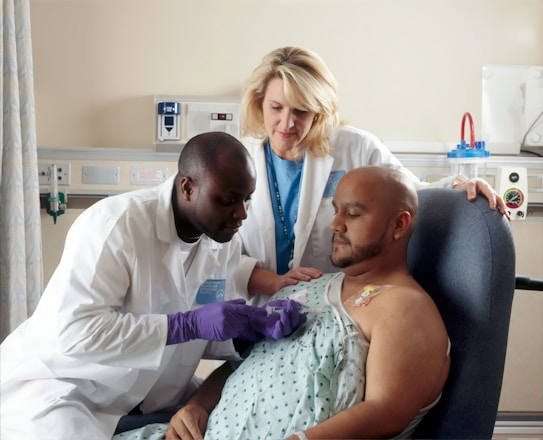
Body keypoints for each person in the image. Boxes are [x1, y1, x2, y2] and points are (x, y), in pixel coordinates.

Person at [0, 132, 305, 440]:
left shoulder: (221, 242)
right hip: (66, 387)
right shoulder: (115, 225)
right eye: (228, 200)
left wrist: (245, 332)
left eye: (246, 199)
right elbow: (77, 333)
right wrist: (186, 325)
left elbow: (198, 335)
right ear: (188, 187)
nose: (242, 214)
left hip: (154, 397)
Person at [113, 166, 451, 440]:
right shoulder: (305, 287)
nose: (335, 225)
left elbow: (387, 412)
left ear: (399, 225)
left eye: (353, 214)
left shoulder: (404, 307)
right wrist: (197, 406)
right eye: (336, 211)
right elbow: (240, 362)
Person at [236, 46, 508, 298]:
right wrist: (273, 283)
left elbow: (409, 193)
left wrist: (459, 185)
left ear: (318, 112)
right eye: (276, 108)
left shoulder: (355, 147)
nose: (287, 123)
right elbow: (222, 254)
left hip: (333, 308)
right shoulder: (240, 159)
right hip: (260, 308)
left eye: (301, 111)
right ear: (259, 103)